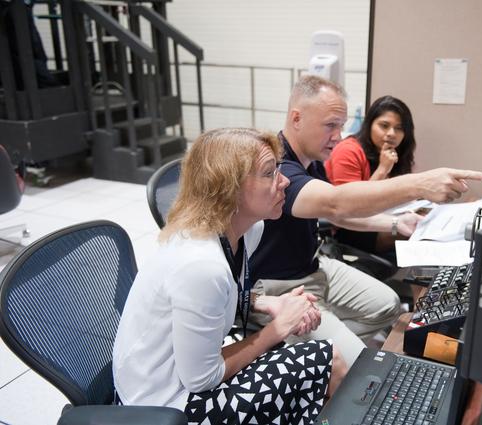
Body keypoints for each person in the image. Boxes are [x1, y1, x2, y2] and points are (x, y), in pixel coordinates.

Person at [249, 76, 482, 368]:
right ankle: (306, 356)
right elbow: (335, 202)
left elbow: (337, 215)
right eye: (330, 125)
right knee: (353, 366)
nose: (338, 136)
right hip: (281, 287)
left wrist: (394, 224)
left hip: (315, 265)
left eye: (341, 126)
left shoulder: (311, 161)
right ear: (296, 118)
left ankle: (323, 346)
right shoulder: (280, 168)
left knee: (388, 307)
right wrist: (420, 184)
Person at [113, 128, 346, 425]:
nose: (284, 180)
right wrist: (277, 329)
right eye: (269, 172)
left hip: (178, 378)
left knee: (315, 368)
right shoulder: (201, 264)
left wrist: (267, 303)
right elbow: (202, 378)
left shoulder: (245, 230)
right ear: (228, 188)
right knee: (327, 360)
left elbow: (224, 295)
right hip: (162, 405)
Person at [325, 95, 417, 255]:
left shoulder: (398, 152)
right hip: (347, 227)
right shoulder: (348, 150)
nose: (391, 133)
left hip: (382, 216)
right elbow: (350, 205)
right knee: (413, 230)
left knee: (426, 219)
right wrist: (382, 169)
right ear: (369, 124)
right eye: (384, 125)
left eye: (399, 128)